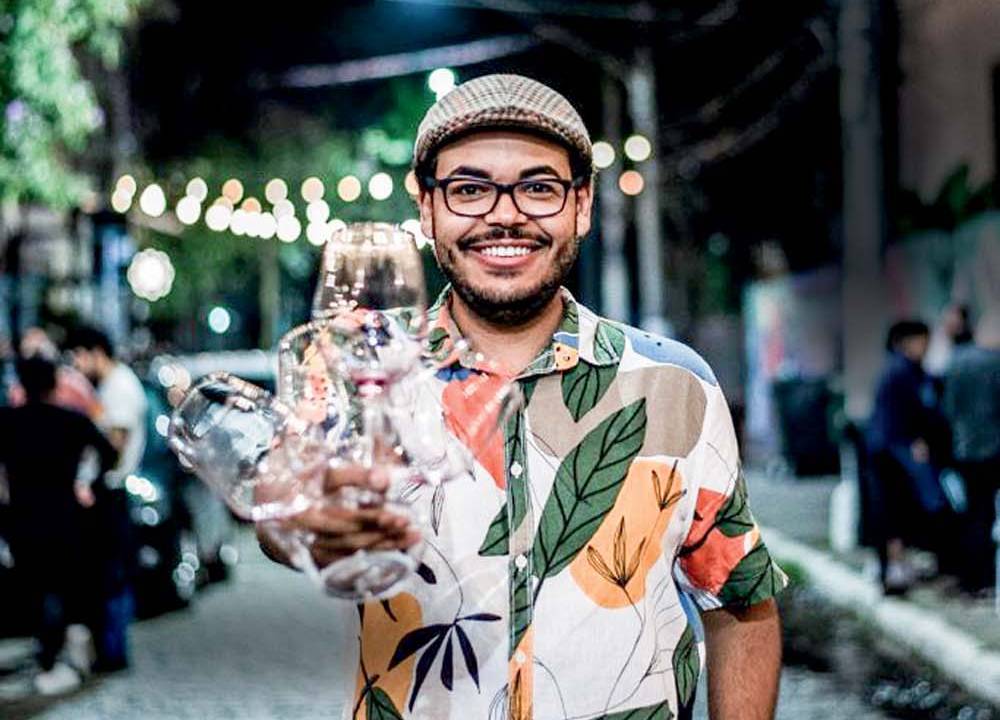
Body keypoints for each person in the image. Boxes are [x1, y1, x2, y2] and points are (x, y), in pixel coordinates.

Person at [260, 74, 785, 720]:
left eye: (538, 188)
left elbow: (740, 605)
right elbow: (283, 509)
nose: (504, 214)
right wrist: (304, 514)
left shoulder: (677, 386)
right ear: (426, 209)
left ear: (582, 205)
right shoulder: (359, 375)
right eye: (469, 189)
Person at [0, 357, 117, 694]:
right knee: (64, 587)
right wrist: (86, 482)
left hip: (22, 518)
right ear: (54, 384)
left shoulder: (9, 422)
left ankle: (48, 651)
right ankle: (61, 650)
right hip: (64, 516)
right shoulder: (72, 421)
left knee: (35, 587)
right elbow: (108, 453)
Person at [65, 326, 148, 672]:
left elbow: (116, 445)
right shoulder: (111, 386)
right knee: (107, 576)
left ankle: (112, 652)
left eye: (80, 356)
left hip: (112, 491)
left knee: (111, 576)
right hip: (108, 491)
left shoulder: (120, 387)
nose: (77, 365)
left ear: (96, 352)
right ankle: (108, 649)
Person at [865, 320, 951, 594]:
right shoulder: (903, 372)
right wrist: (914, 441)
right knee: (896, 512)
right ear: (907, 342)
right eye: (922, 342)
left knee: (891, 513)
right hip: (893, 453)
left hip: (885, 452)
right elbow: (908, 414)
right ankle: (894, 569)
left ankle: (893, 569)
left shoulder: (900, 369)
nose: (925, 348)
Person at [942, 314, 1000, 596]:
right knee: (986, 515)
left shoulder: (954, 363)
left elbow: (948, 409)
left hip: (966, 450)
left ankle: (974, 579)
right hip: (993, 448)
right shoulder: (993, 361)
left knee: (972, 514)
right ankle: (987, 577)